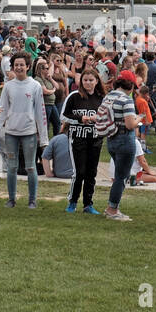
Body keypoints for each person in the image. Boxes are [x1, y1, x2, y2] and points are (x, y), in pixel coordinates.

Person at [0, 52, 44, 209]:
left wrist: (43, 138)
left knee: (31, 167)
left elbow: (40, 112)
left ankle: (32, 200)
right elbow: (2, 110)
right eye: (16, 65)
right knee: (12, 167)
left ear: (28, 66)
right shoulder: (8, 86)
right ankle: (11, 199)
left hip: (29, 133)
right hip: (11, 133)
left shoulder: (35, 86)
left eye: (21, 65)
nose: (19, 67)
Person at [60, 67, 105, 215]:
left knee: (91, 172)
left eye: (91, 80)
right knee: (79, 172)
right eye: (85, 80)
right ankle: (72, 201)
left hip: (95, 139)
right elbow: (63, 116)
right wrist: (80, 119)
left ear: (97, 81)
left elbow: (107, 118)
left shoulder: (102, 98)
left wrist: (97, 120)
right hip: (77, 139)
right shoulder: (74, 96)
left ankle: (88, 204)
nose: (88, 83)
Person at [101, 70, 141, 221]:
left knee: (118, 175)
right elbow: (130, 124)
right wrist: (139, 118)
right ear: (130, 85)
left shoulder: (108, 97)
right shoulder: (126, 99)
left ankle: (112, 207)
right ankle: (113, 209)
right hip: (125, 139)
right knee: (121, 177)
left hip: (111, 138)